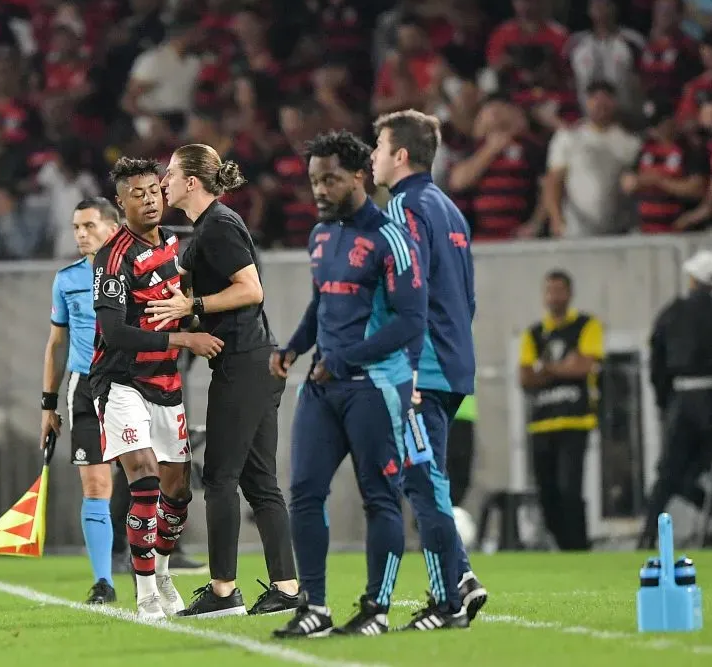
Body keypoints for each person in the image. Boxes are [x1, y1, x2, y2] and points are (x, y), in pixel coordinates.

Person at [270, 130, 428, 637]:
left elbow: (410, 323)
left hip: (376, 387)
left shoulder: (392, 238)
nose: (319, 189)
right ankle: (313, 607)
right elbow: (323, 305)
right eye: (315, 180)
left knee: (380, 498)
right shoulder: (320, 235)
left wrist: (342, 360)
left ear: (360, 176)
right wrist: (293, 346)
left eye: (330, 179)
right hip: (324, 384)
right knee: (303, 492)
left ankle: (376, 611)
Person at [146, 144, 300, 618]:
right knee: (259, 481)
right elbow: (186, 281)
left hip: (244, 363)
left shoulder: (219, 225)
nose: (163, 181)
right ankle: (287, 589)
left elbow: (251, 289)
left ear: (192, 182)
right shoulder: (207, 229)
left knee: (219, 477)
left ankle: (222, 590)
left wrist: (191, 308)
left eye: (170, 174)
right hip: (252, 361)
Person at [90, 157, 224, 620]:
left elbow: (183, 306)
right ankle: (145, 591)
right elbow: (114, 332)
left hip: (166, 382)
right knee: (144, 480)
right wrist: (184, 336)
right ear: (120, 202)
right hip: (122, 382)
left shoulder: (176, 245)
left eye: (153, 190)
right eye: (137, 194)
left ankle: (162, 571)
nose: (148, 200)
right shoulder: (113, 257)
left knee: (178, 492)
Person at [371, 109, 488, 625]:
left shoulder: (402, 208)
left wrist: (408, 366)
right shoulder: (449, 208)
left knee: (422, 481)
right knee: (427, 476)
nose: (372, 156)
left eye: (378, 147)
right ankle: (459, 575)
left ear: (399, 155)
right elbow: (468, 296)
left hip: (424, 367)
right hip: (454, 361)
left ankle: (450, 600)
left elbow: (407, 291)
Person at [637, 251, 712, 550]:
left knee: (670, 472)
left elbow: (656, 363)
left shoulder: (671, 313)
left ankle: (648, 533)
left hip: (682, 400)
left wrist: (664, 402)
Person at [41, 198, 121, 603]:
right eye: (76, 227)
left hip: (131, 385)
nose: (81, 234)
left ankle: (157, 572)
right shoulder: (66, 279)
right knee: (95, 482)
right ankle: (104, 581)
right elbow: (56, 344)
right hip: (85, 387)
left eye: (89, 225)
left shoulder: (133, 271)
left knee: (153, 482)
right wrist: (47, 404)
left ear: (112, 227)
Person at [518, 270, 603, 551]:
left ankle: (578, 546)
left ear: (569, 293)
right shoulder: (533, 333)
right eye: (549, 291)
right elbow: (526, 378)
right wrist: (563, 366)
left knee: (570, 489)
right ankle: (563, 546)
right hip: (542, 424)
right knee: (547, 494)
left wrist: (546, 368)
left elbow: (584, 366)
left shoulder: (586, 325)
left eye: (559, 290)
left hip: (574, 421)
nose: (554, 296)